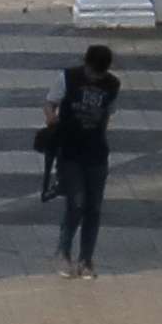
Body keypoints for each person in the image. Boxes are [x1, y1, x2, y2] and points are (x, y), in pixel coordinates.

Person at [49, 44, 123, 276]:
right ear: (86, 63)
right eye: (93, 72)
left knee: (94, 208)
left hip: (96, 153)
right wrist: (52, 121)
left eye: (100, 74)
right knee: (76, 204)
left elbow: (107, 115)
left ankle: (86, 259)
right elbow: (50, 103)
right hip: (70, 152)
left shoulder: (112, 85)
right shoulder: (67, 78)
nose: (95, 77)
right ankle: (63, 253)